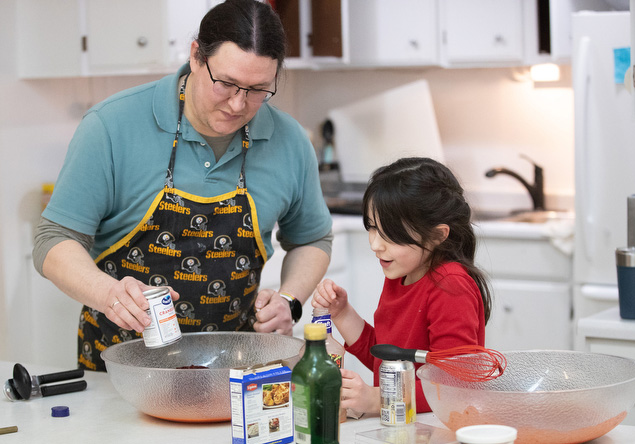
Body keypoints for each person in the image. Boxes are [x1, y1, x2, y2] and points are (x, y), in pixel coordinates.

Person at [32, 0, 333, 371]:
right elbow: (52, 240)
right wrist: (109, 294)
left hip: (234, 372)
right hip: (122, 375)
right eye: (226, 83)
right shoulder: (112, 126)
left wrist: (290, 299)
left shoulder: (289, 140)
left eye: (258, 90)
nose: (238, 104)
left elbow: (312, 239)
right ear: (195, 56)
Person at [311, 157, 492, 414]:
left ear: (438, 235)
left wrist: (378, 399)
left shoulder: (451, 287)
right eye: (372, 228)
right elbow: (385, 358)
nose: (375, 244)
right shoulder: (401, 274)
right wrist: (342, 312)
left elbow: (454, 388)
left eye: (390, 235)